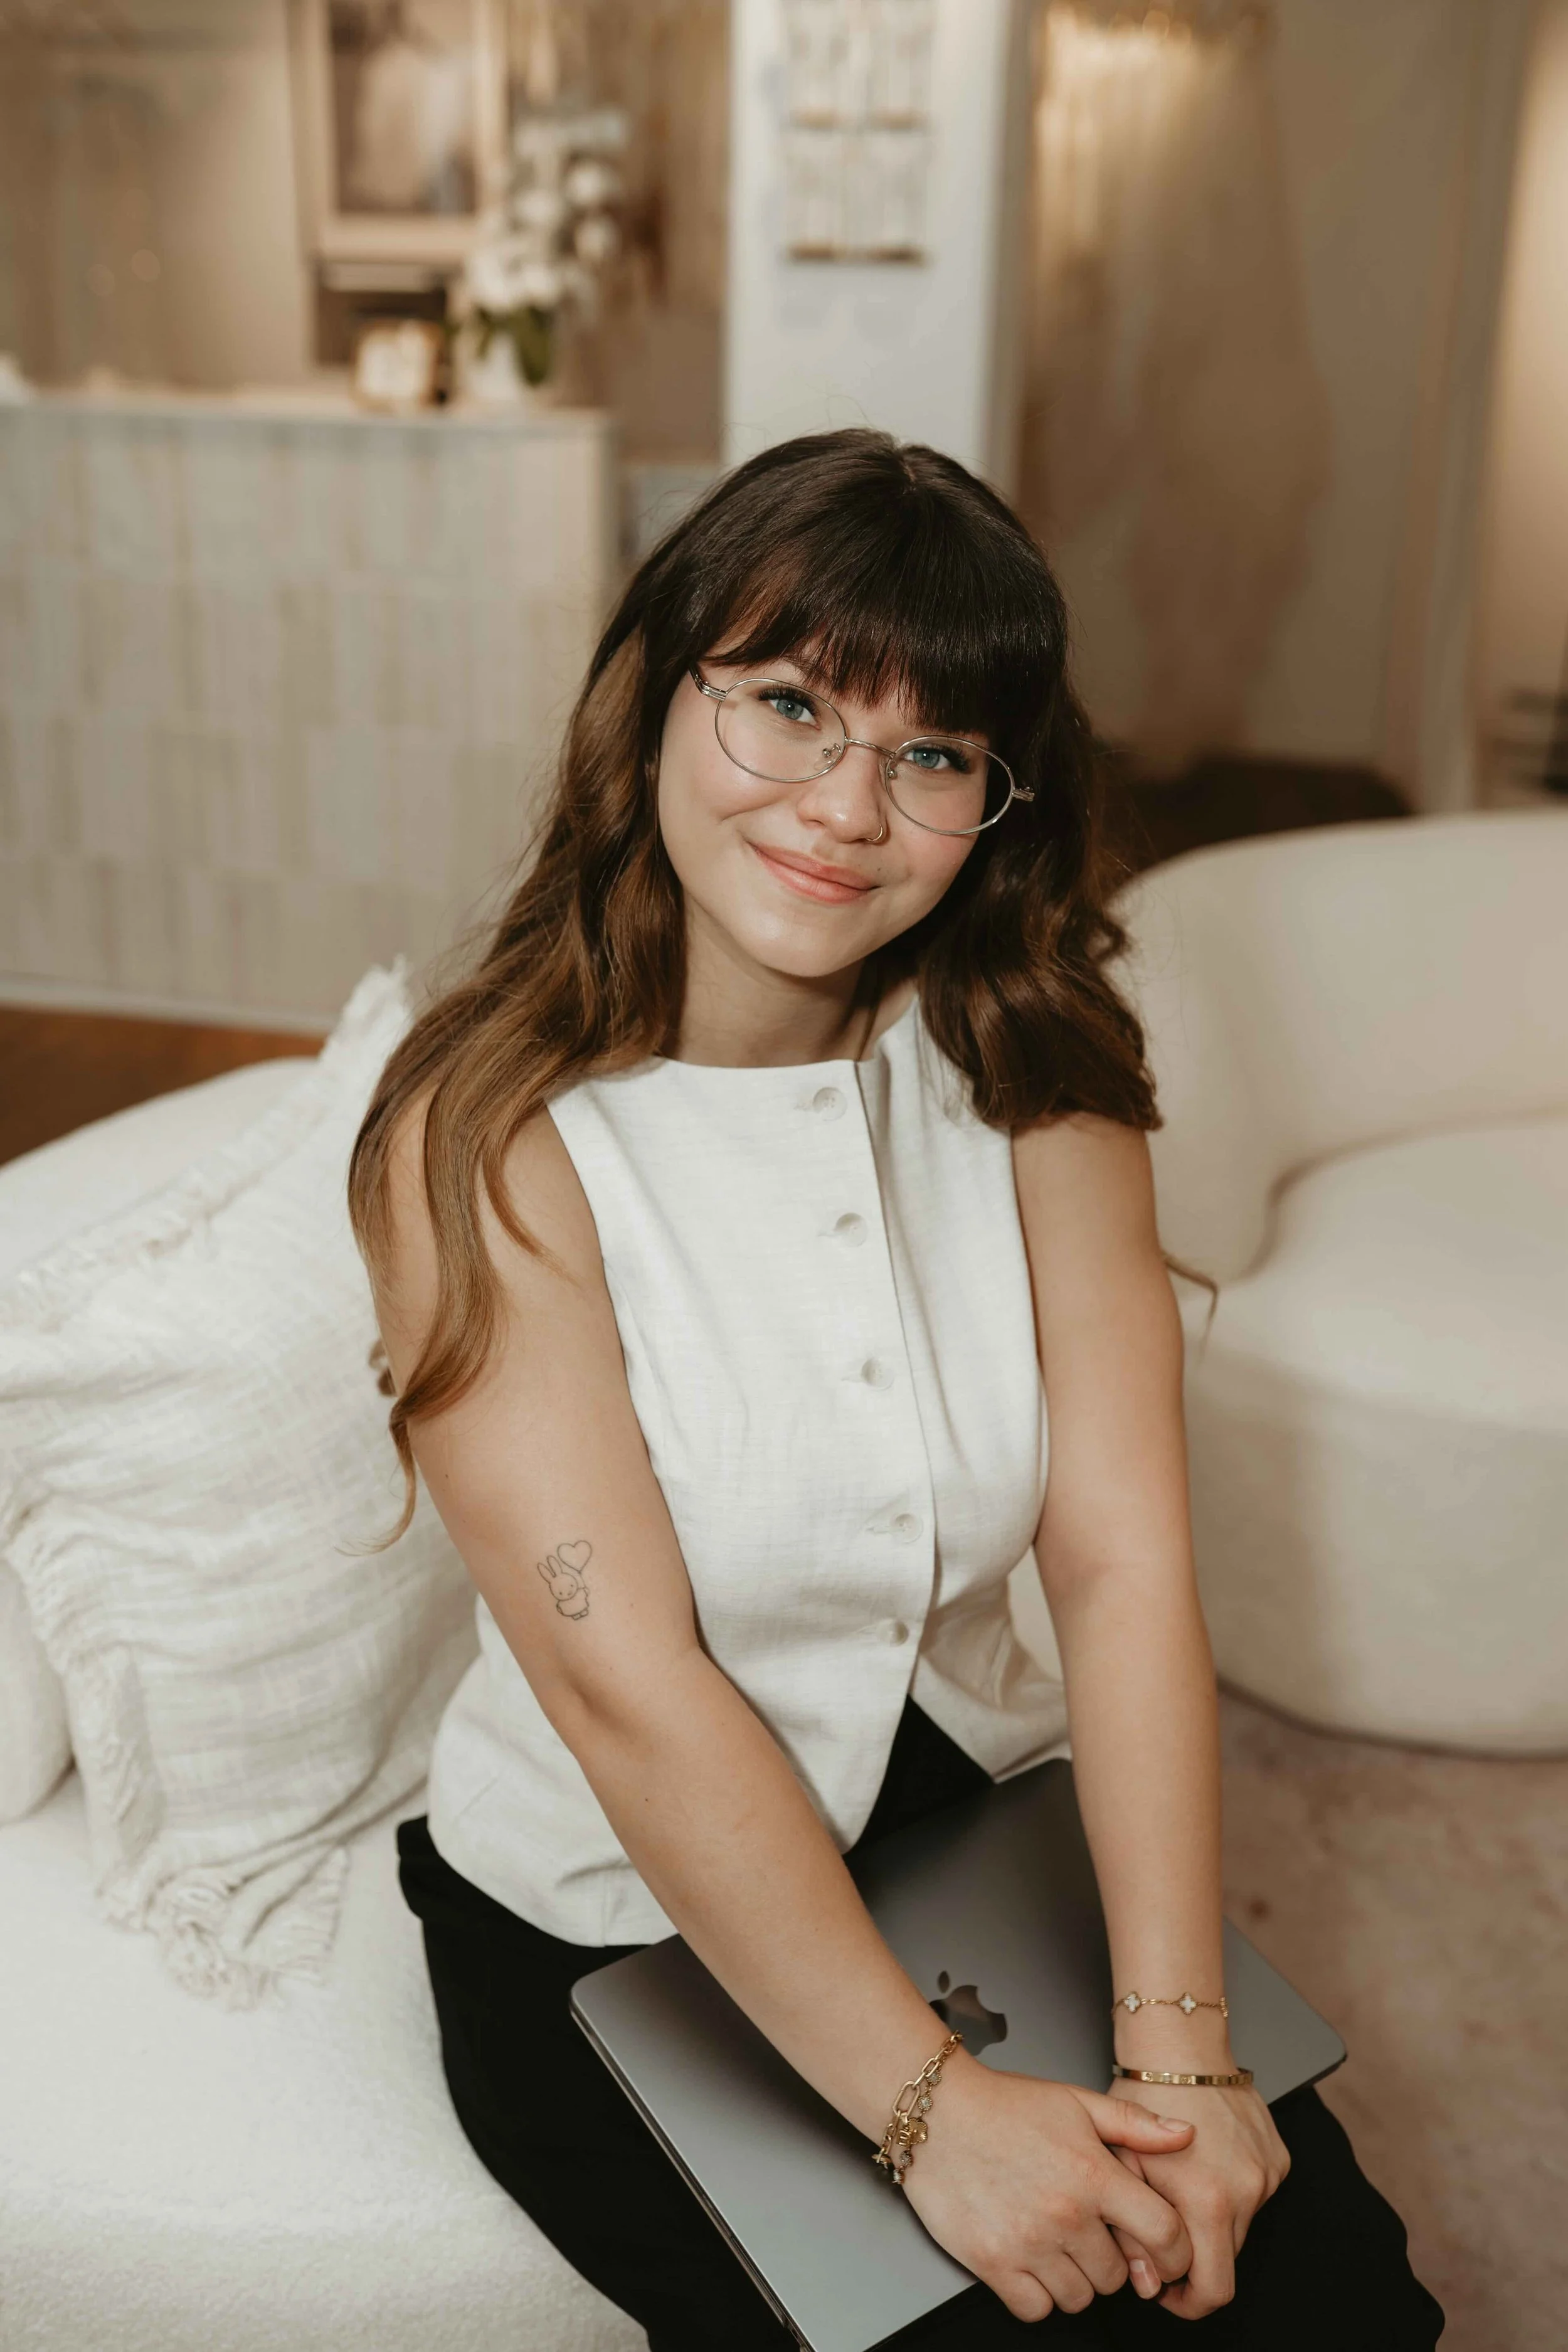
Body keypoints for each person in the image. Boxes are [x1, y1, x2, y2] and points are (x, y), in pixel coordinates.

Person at [349, 429, 1443, 2348]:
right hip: (615, 1903)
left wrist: (1180, 2050)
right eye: (784, 705)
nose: (844, 804)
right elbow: (629, 1682)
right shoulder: (485, 1134)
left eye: (929, 752)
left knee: (1323, 2296)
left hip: (946, 1810)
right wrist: (930, 2118)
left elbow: (1116, 1567)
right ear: (657, 695)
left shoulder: (1038, 1068)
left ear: (993, 801)